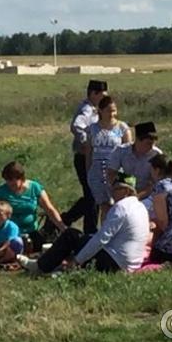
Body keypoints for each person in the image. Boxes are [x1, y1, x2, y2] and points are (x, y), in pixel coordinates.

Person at [18, 173, 150, 274]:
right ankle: (55, 263)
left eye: (116, 189)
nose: (112, 192)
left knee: (71, 235)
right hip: (132, 262)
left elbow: (102, 239)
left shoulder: (121, 207)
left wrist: (77, 260)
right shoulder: (140, 207)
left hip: (115, 262)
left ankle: (41, 266)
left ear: (126, 191)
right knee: (86, 238)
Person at [0, 161, 67, 252]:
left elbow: (49, 209)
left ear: (21, 178)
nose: (10, 184)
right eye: (7, 181)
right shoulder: (0, 192)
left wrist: (63, 228)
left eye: (12, 181)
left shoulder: (35, 188)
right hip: (9, 233)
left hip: (31, 232)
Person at [62, 79, 108, 234]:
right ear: (94, 94)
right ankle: (90, 231)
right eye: (102, 94)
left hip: (94, 158)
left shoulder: (95, 109)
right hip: (84, 158)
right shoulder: (87, 109)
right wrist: (86, 142)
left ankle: (65, 219)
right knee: (92, 196)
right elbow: (76, 126)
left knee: (92, 194)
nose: (104, 97)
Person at [85, 95, 132, 218]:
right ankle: (104, 234)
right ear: (100, 110)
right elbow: (89, 152)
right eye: (108, 111)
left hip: (115, 170)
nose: (112, 114)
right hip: (97, 171)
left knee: (118, 205)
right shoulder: (93, 128)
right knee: (104, 205)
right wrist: (88, 171)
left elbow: (128, 152)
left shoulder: (122, 128)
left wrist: (127, 174)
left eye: (114, 110)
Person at [106, 121, 162, 200]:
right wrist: (129, 182)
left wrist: (138, 196)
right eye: (148, 143)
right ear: (138, 140)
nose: (151, 147)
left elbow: (156, 182)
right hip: (125, 192)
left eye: (153, 144)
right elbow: (111, 173)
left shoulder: (156, 154)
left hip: (148, 195)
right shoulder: (121, 151)